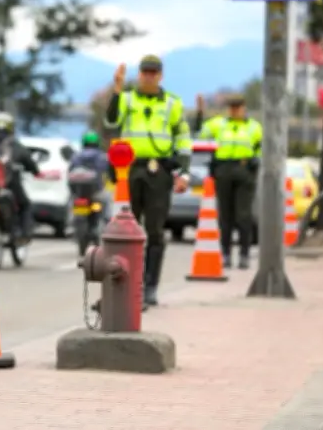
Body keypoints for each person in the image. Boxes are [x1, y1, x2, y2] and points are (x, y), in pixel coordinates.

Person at [104, 55, 192, 309]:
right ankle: (127, 284)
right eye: (145, 72)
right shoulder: (128, 99)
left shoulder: (172, 104)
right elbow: (110, 121)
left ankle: (149, 286)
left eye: (154, 72)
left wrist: (183, 173)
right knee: (125, 228)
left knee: (154, 231)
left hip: (159, 171)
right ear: (139, 74)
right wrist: (117, 90)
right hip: (130, 170)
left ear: (160, 75)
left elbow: (183, 139)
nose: (149, 76)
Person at [195, 93, 262, 270]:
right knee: (225, 216)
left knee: (243, 216)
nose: (235, 110)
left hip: (244, 171)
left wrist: (256, 163)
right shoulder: (219, 124)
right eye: (232, 107)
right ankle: (225, 253)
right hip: (223, 170)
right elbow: (200, 133)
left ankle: (244, 254)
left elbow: (263, 148)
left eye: (238, 107)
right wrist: (200, 112)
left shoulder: (254, 127)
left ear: (244, 108)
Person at [0, 111, 40, 242]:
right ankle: (23, 234)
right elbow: (29, 163)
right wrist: (35, 171)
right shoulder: (14, 144)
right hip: (9, 184)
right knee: (25, 205)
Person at [69, 130, 113, 221]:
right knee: (107, 199)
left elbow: (70, 170)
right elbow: (107, 169)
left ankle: (71, 218)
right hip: (96, 192)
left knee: (72, 201)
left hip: (78, 192)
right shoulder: (102, 156)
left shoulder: (76, 156)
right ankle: (107, 220)